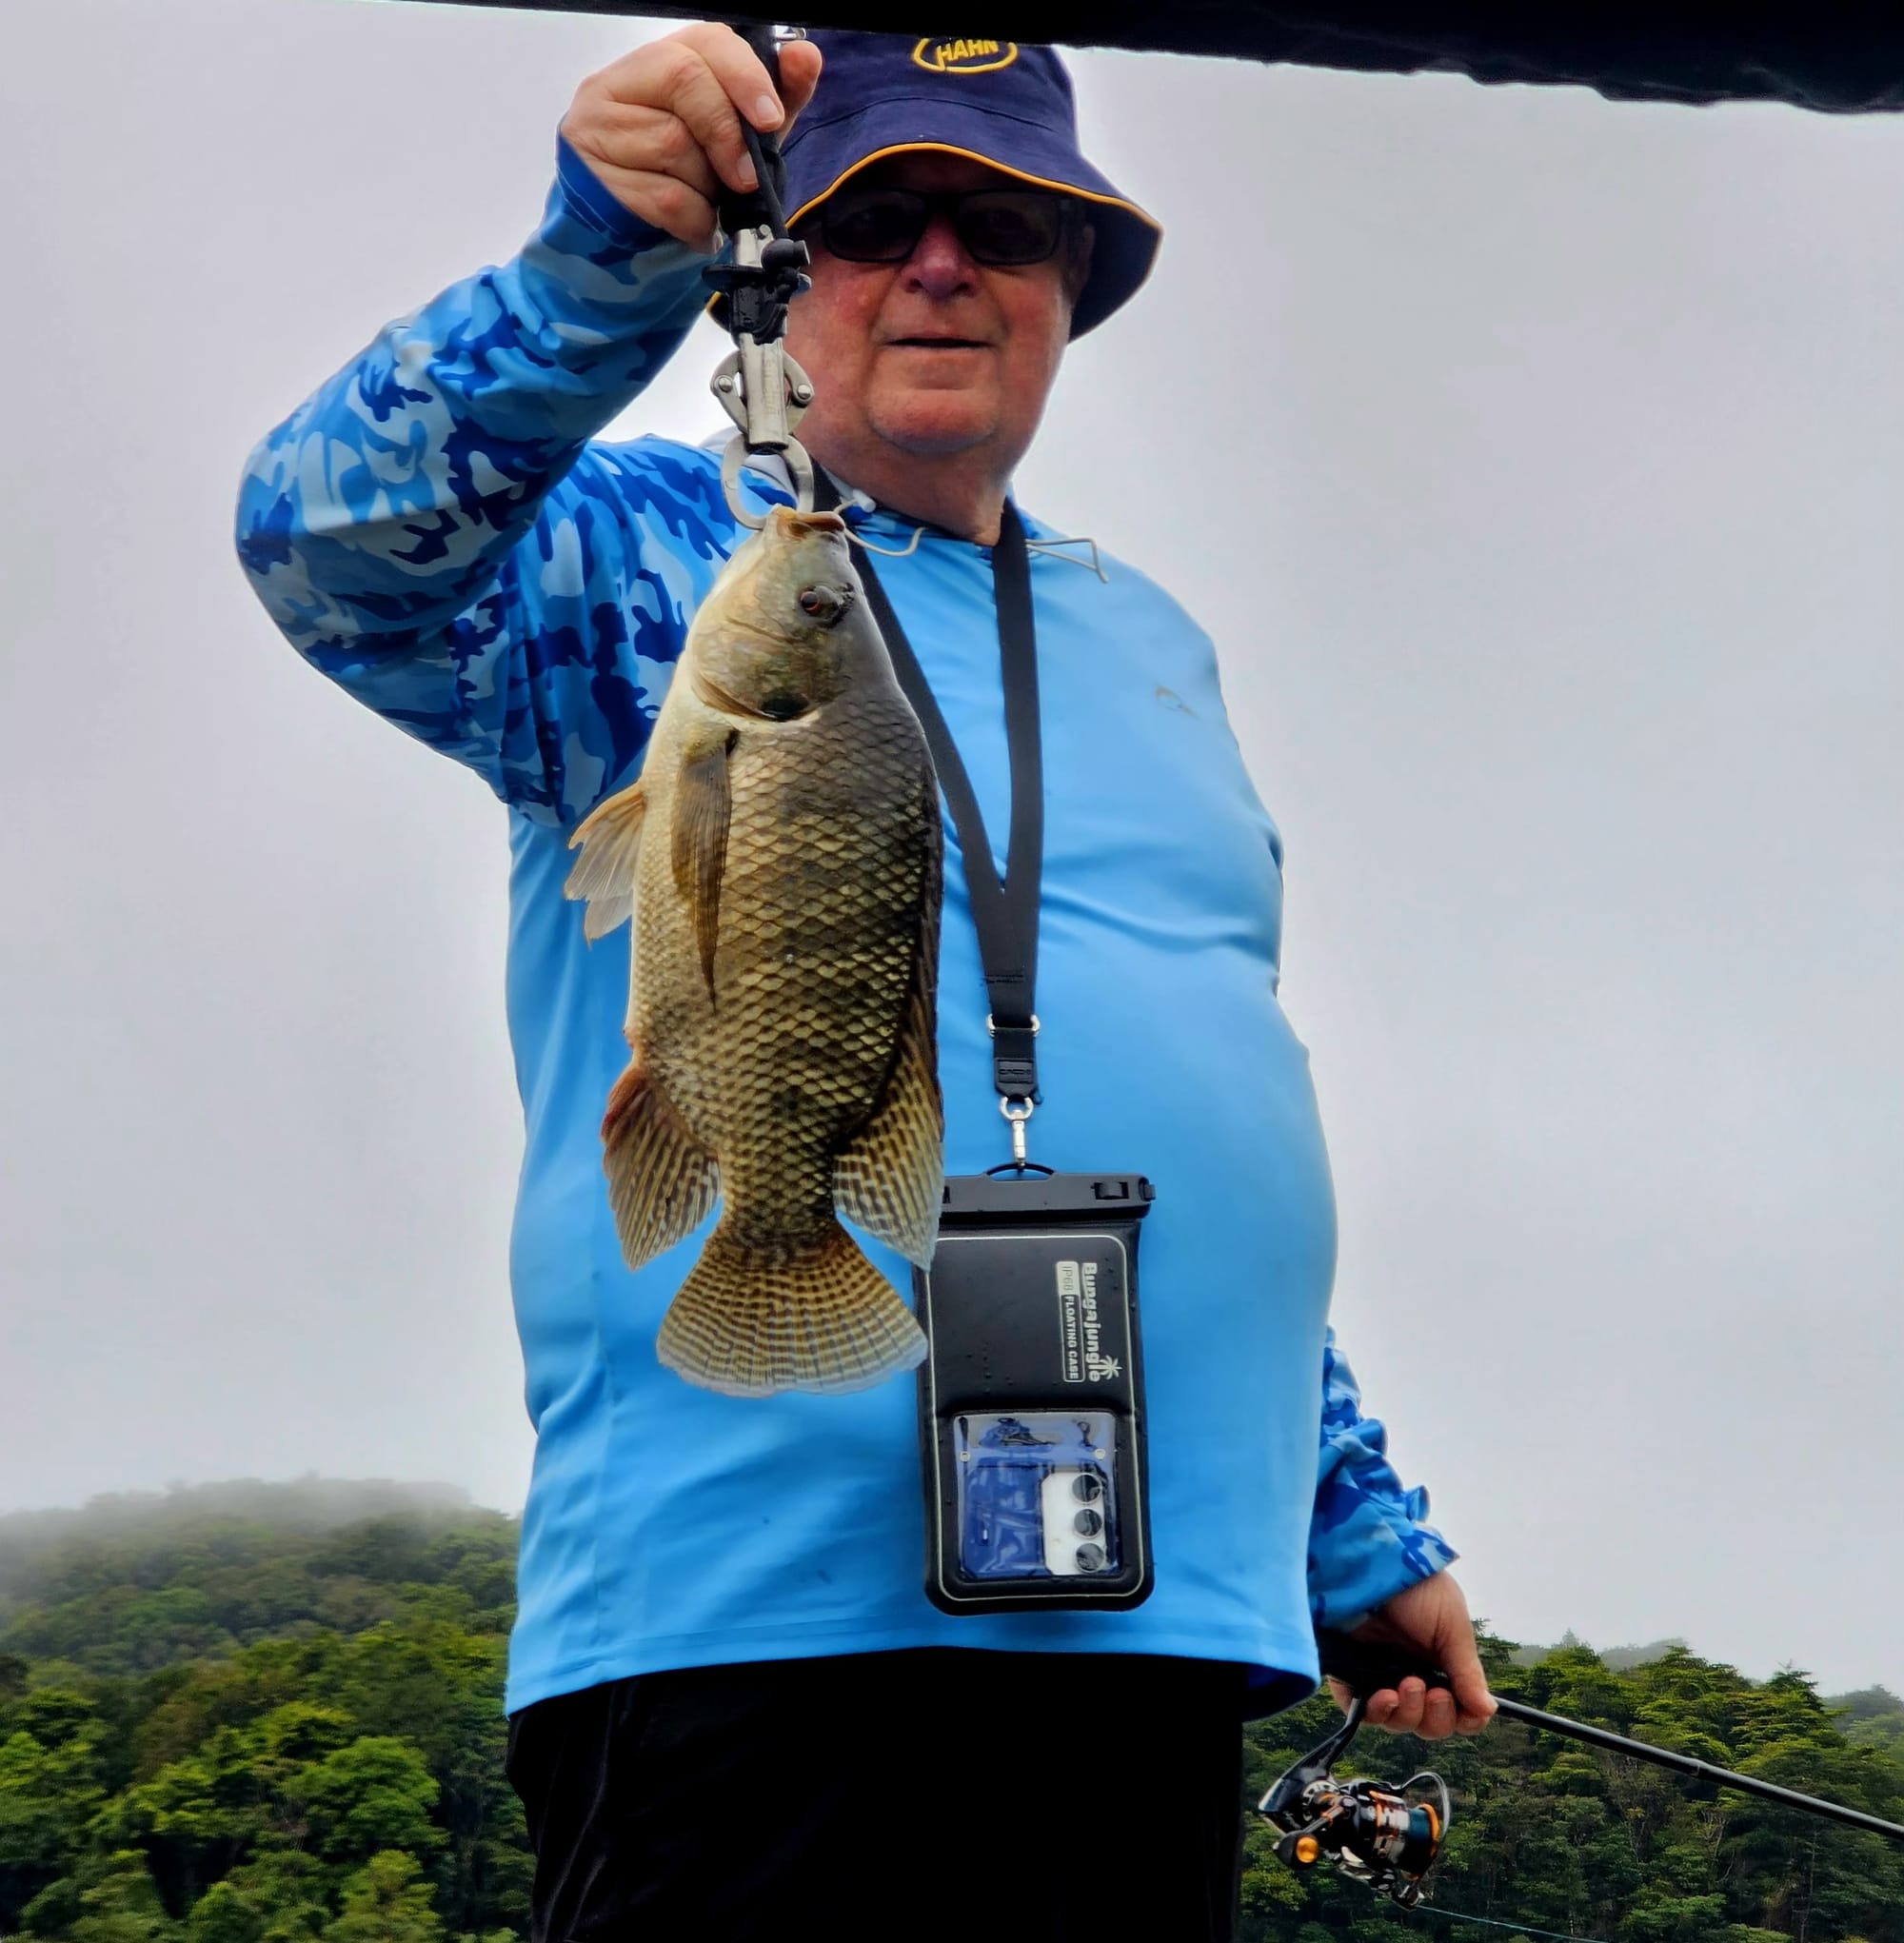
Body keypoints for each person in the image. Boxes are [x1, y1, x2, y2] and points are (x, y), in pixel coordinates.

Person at [235, 24, 1494, 1940]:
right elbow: (331, 546)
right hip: (752, 1643)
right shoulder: (665, 562)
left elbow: (1161, 1094)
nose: (936, 260)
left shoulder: (1155, 642)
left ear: (1073, 280)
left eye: (997, 219)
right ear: (780, 269)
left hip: (1146, 1625)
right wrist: (595, 268)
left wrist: (1342, 1513)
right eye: (874, 213)